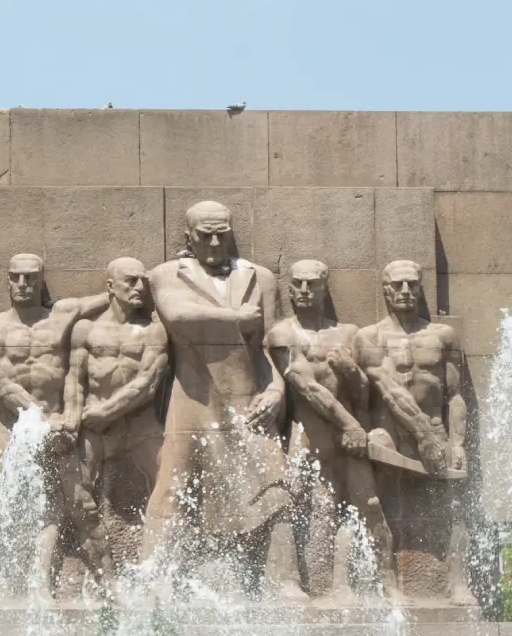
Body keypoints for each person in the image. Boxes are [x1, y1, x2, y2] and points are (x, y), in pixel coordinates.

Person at [142, 200, 304, 599]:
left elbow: (268, 346)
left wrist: (276, 390)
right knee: (172, 486)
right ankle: (153, 579)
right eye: (205, 234)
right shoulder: (166, 274)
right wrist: (237, 318)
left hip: (249, 396)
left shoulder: (260, 278)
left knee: (274, 483)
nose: (214, 241)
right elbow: (176, 316)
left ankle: (285, 580)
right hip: (193, 398)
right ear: (188, 237)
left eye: (221, 232)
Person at [0, 254, 106, 598]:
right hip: (7, 426)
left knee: (52, 506)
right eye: (15, 277)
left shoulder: (60, 318)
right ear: (7, 281)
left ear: (41, 280)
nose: (23, 284)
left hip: (54, 425)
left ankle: (40, 584)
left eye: (30, 278)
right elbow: (4, 386)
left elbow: (112, 294)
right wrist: (44, 422)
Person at [264, 259, 392, 596]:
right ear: (289, 288)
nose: (305, 291)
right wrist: (351, 425)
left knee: (369, 506)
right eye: (298, 284)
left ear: (325, 287)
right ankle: (290, 582)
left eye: (313, 284)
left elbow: (365, 396)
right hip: (306, 434)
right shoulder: (282, 334)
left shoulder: (348, 333)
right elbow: (307, 388)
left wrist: (350, 370)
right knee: (290, 506)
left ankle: (384, 585)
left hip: (349, 438)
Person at [352, 259, 473, 602]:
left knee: (455, 507)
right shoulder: (368, 338)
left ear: (421, 288)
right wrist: (423, 435)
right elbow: (386, 390)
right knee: (376, 503)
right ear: (385, 289)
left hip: (436, 429)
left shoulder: (442, 336)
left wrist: (457, 444)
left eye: (412, 284)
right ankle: (387, 582)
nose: (405, 291)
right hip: (390, 434)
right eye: (397, 285)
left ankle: (458, 582)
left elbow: (456, 396)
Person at [68, 257, 169, 583]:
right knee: (77, 497)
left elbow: (149, 383)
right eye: (131, 280)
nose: (140, 287)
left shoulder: (155, 331)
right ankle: (109, 580)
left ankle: (156, 575)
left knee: (173, 484)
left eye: (143, 281)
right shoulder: (86, 330)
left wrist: (107, 411)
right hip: (94, 427)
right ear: (110, 286)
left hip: (140, 425)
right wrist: (72, 419)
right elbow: (74, 380)